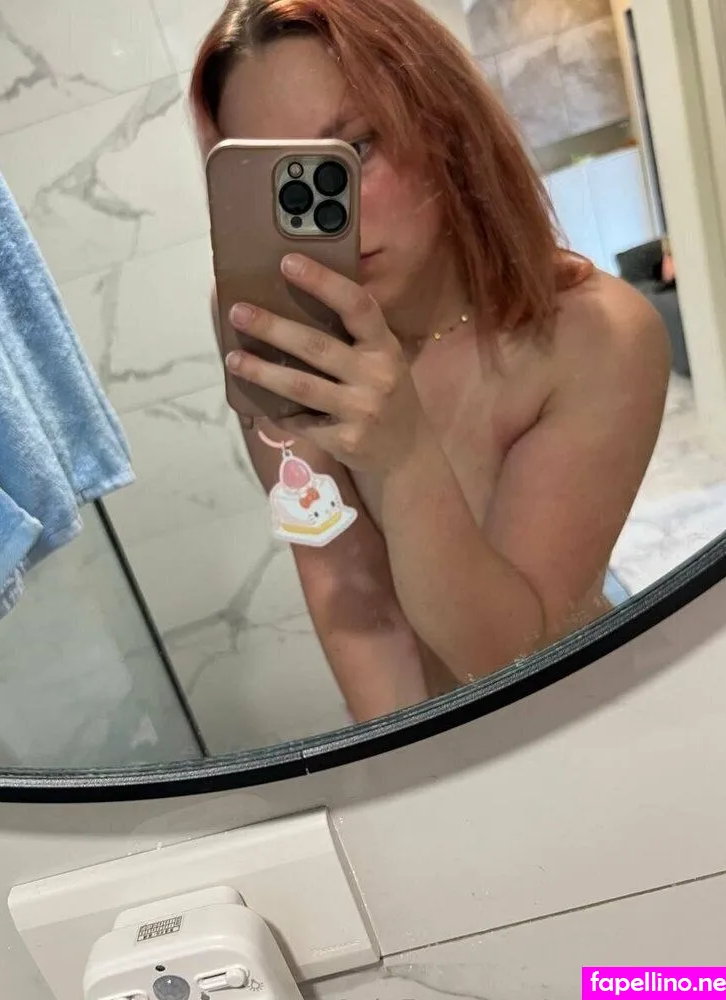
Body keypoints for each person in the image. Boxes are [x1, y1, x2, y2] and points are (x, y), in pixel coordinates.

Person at [190, 0, 671, 721]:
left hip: (572, 706)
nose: (326, 211)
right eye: (279, 178)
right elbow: (350, 596)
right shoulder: (275, 327)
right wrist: (408, 769)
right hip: (425, 729)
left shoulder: (598, 336)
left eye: (353, 151)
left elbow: (514, 659)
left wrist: (406, 457)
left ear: (442, 122)